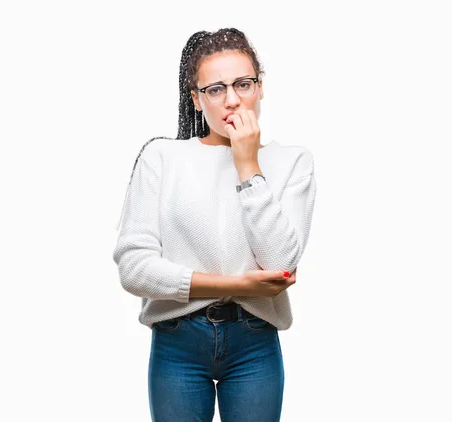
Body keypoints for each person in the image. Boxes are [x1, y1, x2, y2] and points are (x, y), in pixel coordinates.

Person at [112, 28, 316, 421]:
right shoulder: (162, 157)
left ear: (260, 87)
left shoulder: (293, 161)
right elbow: (134, 268)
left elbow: (281, 261)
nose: (233, 100)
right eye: (216, 89)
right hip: (178, 342)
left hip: (254, 341)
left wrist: (247, 164)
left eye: (243, 84)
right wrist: (237, 286)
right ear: (196, 99)